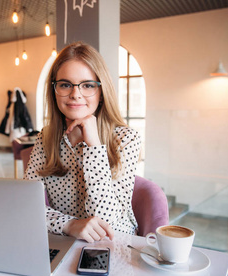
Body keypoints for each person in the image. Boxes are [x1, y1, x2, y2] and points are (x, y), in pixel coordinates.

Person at [24, 42, 141, 243]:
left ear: (101, 92)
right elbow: (25, 205)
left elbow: (106, 222)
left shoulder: (126, 139)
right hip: (66, 241)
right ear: (54, 90)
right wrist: (69, 225)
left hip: (117, 244)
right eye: (65, 84)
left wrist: (94, 146)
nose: (75, 94)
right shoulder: (47, 138)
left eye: (87, 85)